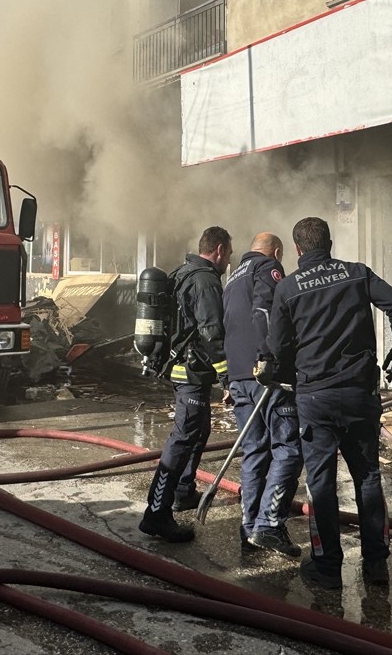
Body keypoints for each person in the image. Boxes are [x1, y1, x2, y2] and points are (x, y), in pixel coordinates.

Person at [264, 216, 392, 590]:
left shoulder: (289, 288)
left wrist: (273, 370)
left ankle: (328, 566)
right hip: (360, 394)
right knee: (367, 478)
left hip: (315, 398)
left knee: (321, 484)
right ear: (329, 243)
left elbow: (278, 349)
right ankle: (376, 565)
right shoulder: (356, 273)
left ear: (298, 250)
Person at [139, 226, 231, 543]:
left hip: (182, 369)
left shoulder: (183, 271)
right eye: (228, 254)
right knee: (183, 439)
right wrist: (228, 376)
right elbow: (212, 331)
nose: (228, 261)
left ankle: (183, 491)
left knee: (199, 429)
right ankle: (156, 513)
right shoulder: (205, 280)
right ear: (219, 250)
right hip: (191, 372)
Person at [221, 232, 302, 558]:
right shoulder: (268, 267)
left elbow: (226, 324)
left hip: (238, 377)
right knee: (288, 449)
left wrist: (228, 379)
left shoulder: (231, 279)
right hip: (264, 375)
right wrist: (268, 357)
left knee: (255, 451)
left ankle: (250, 528)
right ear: (277, 252)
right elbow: (265, 311)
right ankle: (269, 525)